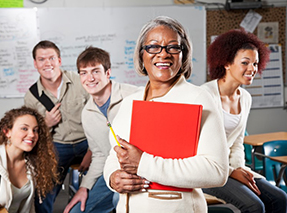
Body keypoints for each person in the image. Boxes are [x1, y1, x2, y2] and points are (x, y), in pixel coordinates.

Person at [103, 16, 229, 212]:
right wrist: (112, 177)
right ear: (141, 54)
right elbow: (115, 154)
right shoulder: (130, 101)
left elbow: (216, 171)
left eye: (173, 47)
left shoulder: (198, 98)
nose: (163, 54)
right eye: (153, 47)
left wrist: (143, 163)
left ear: (182, 54)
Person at [201, 29, 287, 213]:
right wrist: (233, 172)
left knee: (279, 198)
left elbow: (238, 142)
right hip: (207, 171)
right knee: (254, 206)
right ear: (226, 63)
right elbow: (198, 148)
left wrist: (239, 169)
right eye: (245, 63)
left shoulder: (245, 98)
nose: (252, 69)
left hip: (232, 168)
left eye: (255, 63)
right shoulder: (204, 95)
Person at [64, 46, 140, 213]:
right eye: (83, 73)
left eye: (95, 71)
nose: (89, 78)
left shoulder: (135, 96)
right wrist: (84, 187)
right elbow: (99, 155)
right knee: (76, 211)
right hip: (112, 171)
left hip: (142, 170)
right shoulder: (87, 114)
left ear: (108, 73)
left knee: (118, 199)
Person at [24, 40, 91, 213]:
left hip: (88, 142)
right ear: (35, 63)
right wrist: (45, 124)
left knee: (109, 176)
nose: (47, 63)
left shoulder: (81, 81)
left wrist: (93, 151)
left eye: (51, 58)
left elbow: (101, 118)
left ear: (59, 60)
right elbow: (29, 134)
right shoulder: (31, 96)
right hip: (57, 146)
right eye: (41, 59)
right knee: (43, 189)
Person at [0, 106, 59, 213]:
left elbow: (29, 206)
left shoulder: (31, 165)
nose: (32, 135)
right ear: (7, 132)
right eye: (24, 128)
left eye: (35, 130)